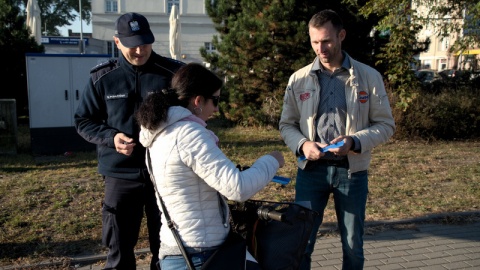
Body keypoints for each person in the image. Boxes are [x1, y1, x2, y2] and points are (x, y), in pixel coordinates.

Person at [135, 63, 285, 270]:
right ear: (198, 101)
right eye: (215, 101)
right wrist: (272, 160)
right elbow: (237, 188)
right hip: (200, 254)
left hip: (177, 249)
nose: (216, 109)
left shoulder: (160, 133)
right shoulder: (188, 135)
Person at [279, 9, 395, 270]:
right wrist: (304, 145)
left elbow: (386, 125)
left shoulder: (368, 77)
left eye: (327, 40)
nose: (321, 48)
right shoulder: (298, 79)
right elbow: (286, 124)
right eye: (315, 42)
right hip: (310, 172)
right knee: (302, 243)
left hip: (352, 172)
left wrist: (354, 141)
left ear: (341, 35)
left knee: (353, 245)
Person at [74, 12, 184, 270]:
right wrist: (111, 138)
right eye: (132, 44)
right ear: (117, 42)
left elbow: (192, 115)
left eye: (144, 43)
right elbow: (83, 120)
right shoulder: (102, 78)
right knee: (120, 246)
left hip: (164, 174)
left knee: (168, 246)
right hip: (120, 175)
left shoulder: (173, 73)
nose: (139, 50)